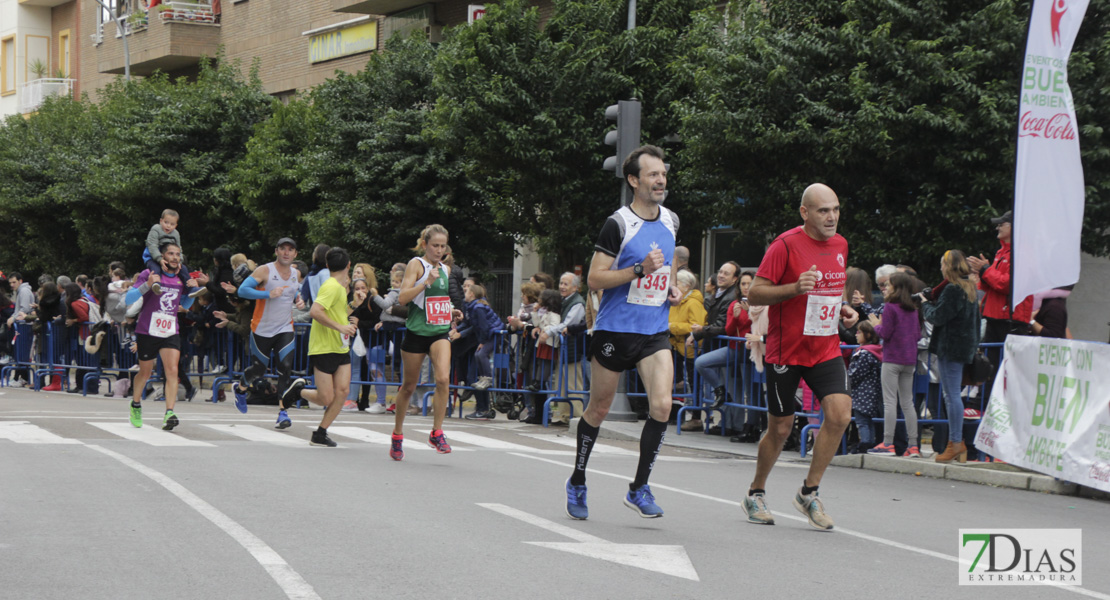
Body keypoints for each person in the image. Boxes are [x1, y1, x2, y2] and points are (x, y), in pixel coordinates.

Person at [565, 145, 680, 520]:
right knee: (599, 408)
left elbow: (667, 268)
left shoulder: (671, 221)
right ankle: (578, 480)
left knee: (662, 406)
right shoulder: (618, 224)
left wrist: (671, 288)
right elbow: (596, 279)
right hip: (615, 329)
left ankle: (639, 487)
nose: (660, 180)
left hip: (654, 331)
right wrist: (639, 271)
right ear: (634, 180)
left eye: (662, 173)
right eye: (652, 174)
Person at [741, 183, 858, 531]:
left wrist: (845, 309)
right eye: (824, 210)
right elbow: (756, 293)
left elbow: (828, 292)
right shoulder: (785, 245)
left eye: (836, 209)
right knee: (781, 427)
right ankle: (755, 492)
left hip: (824, 347)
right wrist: (794, 287)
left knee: (839, 415)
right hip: (785, 351)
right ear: (805, 213)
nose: (832, 217)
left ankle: (809, 492)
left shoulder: (840, 244)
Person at [388, 224, 463, 460]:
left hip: (439, 332)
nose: (439, 250)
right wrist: (425, 282)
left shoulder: (445, 270)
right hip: (416, 332)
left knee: (442, 378)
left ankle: (436, 432)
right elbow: (403, 298)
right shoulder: (416, 265)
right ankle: (398, 434)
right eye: (435, 246)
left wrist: (451, 312)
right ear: (424, 245)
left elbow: (438, 302)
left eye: (443, 246)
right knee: (409, 386)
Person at [125, 242, 208, 430]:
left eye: (178, 254)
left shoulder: (181, 277)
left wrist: (192, 291)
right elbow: (128, 300)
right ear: (162, 257)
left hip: (170, 330)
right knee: (145, 372)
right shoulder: (150, 274)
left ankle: (169, 412)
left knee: (172, 370)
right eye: (170, 253)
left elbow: (185, 305)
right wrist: (146, 286)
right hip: (147, 330)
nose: (175, 257)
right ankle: (136, 404)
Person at [232, 237, 308, 429]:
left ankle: (282, 412)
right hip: (262, 329)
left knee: (286, 367)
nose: (286, 252)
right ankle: (240, 389)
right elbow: (242, 290)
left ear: (295, 254)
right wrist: (267, 294)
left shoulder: (296, 274)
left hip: (285, 328)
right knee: (259, 370)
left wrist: (299, 301)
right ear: (276, 251)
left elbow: (293, 294)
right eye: (283, 249)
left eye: (290, 250)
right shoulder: (264, 270)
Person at [295, 247, 360, 447]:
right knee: (326, 398)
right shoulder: (331, 286)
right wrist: (341, 326)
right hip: (323, 346)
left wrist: (354, 305)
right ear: (348, 265)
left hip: (340, 346)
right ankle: (298, 390)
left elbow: (338, 313)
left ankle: (320, 433)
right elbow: (315, 311)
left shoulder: (340, 288)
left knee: (342, 391)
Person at [921, 250, 981, 463]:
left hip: (950, 347)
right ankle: (957, 444)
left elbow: (937, 317)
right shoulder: (969, 287)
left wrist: (925, 303)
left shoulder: (953, 289)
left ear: (948, 266)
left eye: (942, 264)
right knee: (953, 395)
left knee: (951, 395)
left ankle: (956, 442)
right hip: (963, 348)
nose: (940, 268)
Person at [867, 272, 922, 457]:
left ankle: (888, 443)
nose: (886, 288)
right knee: (908, 402)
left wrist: (875, 324)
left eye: (889, 285)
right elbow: (918, 335)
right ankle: (913, 445)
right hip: (909, 358)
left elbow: (885, 333)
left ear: (896, 287)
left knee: (890, 401)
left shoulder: (890, 307)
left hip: (892, 358)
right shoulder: (913, 308)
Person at [668, 269, 706, 427]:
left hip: (691, 350)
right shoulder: (677, 301)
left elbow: (697, 326)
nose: (673, 286)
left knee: (693, 382)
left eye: (676, 283)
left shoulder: (693, 303)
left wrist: (672, 326)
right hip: (676, 347)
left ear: (686, 286)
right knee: (674, 382)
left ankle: (696, 417)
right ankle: (675, 414)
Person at [847, 321, 882, 453]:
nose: (856, 335)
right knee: (868, 420)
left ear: (867, 334)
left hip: (862, 392)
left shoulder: (864, 354)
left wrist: (847, 381)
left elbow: (856, 373)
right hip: (871, 391)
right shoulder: (875, 352)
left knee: (862, 421)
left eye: (859, 332)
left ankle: (865, 443)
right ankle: (870, 442)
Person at [144, 209, 192, 296]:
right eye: (166, 222)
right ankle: (156, 285)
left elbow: (178, 248)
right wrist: (159, 259)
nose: (168, 226)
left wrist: (179, 262)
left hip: (168, 257)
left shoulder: (176, 234)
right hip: (153, 257)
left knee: (183, 269)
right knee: (156, 269)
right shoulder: (156, 229)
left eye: (172, 224)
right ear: (161, 221)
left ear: (176, 225)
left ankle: (191, 287)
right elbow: (152, 245)